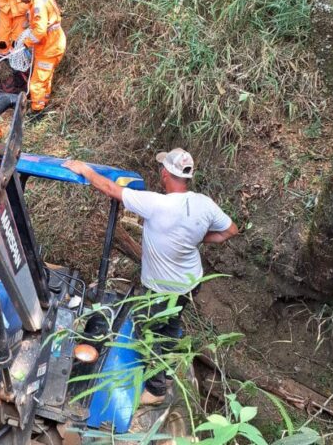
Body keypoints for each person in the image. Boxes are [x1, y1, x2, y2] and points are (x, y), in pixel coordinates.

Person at [62, 148, 238, 405]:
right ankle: (164, 375)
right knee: (172, 325)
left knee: (147, 327)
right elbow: (230, 230)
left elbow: (112, 189)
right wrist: (197, 240)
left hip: (162, 288)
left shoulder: (156, 204)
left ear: (165, 173)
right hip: (190, 283)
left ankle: (155, 390)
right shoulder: (205, 203)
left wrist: (85, 170)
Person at [12, 0, 66, 113]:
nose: (21, 1)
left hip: (50, 47)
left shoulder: (38, 4)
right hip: (52, 44)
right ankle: (44, 102)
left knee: (36, 83)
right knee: (45, 78)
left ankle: (37, 111)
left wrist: (26, 44)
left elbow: (40, 31)